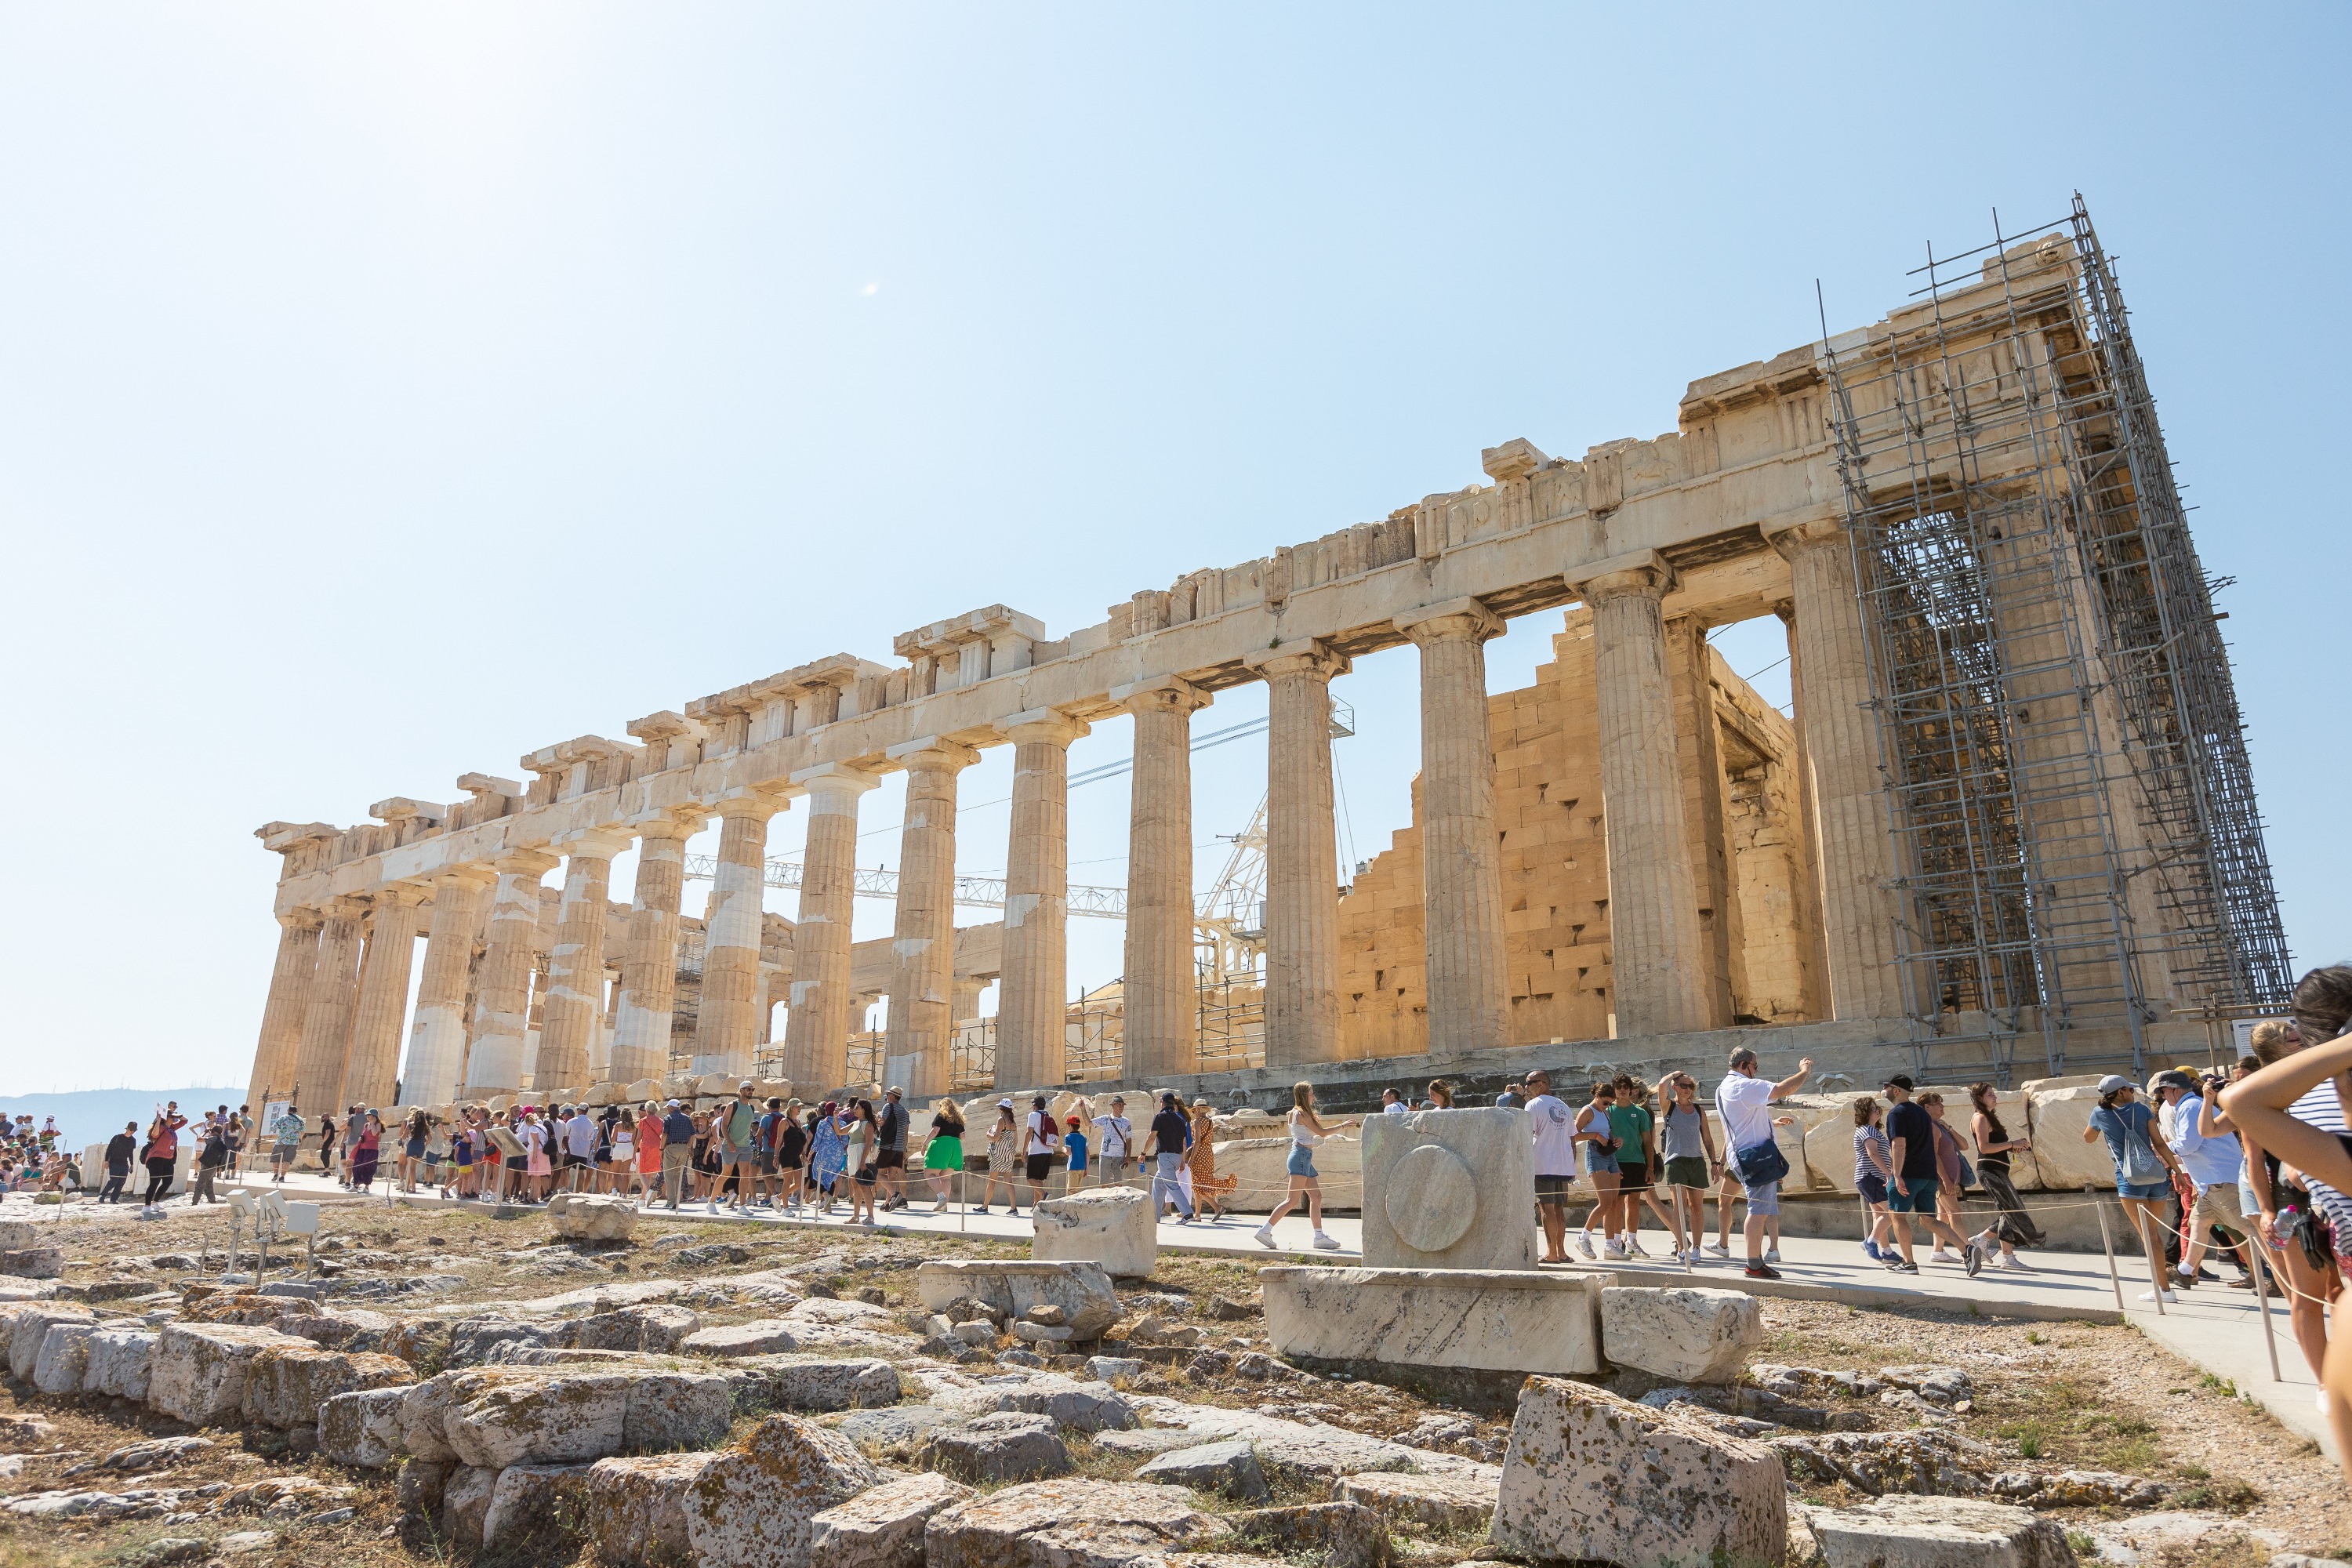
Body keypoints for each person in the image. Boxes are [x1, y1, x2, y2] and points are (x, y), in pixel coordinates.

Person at [2218, 964, 2352, 1486]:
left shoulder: (2302, 1103)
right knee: (2304, 1298)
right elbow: (2240, 1121)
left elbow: (2245, 1106)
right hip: (2292, 1211)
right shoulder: (2311, 1106)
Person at [2082, 1073, 2187, 1302]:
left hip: (2130, 1180)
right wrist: (2177, 1173)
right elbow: (2159, 1143)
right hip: (2157, 1177)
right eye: (2129, 1089)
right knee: (2154, 1235)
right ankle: (2163, 1288)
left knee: (2148, 1237)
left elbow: (2088, 1138)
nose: (2132, 1092)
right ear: (2120, 1092)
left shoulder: (2100, 1113)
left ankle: (2164, 1290)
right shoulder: (2142, 1110)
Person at [1716, 1049, 1812, 1279]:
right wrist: (1804, 1071)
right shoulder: (1743, 1086)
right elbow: (1783, 1090)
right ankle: (1753, 1264)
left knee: (1761, 1209)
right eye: (1755, 1066)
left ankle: (1757, 1261)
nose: (1757, 1071)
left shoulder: (1724, 1088)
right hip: (1756, 1156)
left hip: (1743, 1153)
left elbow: (1744, 1119)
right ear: (1743, 1065)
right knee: (1758, 1211)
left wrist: (1773, 1123)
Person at [2158, 1069, 2256, 1291]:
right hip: (2213, 1181)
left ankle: (2273, 1275)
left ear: (2173, 1090)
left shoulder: (2189, 1107)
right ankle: (2186, 1271)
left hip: (2218, 1180)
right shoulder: (2192, 1105)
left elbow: (2188, 1145)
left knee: (2247, 1230)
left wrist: (2163, 1148)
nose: (2163, 1097)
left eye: (2164, 1092)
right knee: (2199, 1224)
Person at [1255, 1083, 1353, 1249]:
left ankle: (1319, 1237)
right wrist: (1343, 1126)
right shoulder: (1301, 1113)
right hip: (1301, 1156)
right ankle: (1265, 1230)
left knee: (1316, 1197)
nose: (1314, 1097)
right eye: (1311, 1094)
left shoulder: (1294, 1113)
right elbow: (1321, 1133)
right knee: (1291, 1200)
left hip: (1303, 1156)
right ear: (1304, 1095)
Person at [1967, 1083, 2044, 1269]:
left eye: (1994, 1094)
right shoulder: (1980, 1118)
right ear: (1980, 1098)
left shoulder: (1990, 1118)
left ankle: (1991, 1246)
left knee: (2009, 1211)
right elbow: (1984, 1147)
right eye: (1990, 1095)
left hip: (1999, 1170)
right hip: (1990, 1171)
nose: (1995, 1097)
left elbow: (1996, 1146)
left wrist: (2014, 1146)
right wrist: (2011, 1143)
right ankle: (1995, 1248)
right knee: (2012, 1211)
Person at [1659, 1073, 1717, 1265]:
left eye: (1690, 1086)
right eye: (1683, 1085)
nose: (1688, 1089)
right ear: (1674, 1087)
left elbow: (1707, 1139)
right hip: (1676, 1161)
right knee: (1679, 1206)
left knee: (1696, 1206)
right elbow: (1660, 1086)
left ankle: (1697, 1248)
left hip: (1696, 1160)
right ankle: (1682, 1247)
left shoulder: (1698, 1110)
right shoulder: (1669, 1107)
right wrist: (1674, 1074)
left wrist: (1715, 1164)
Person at [1524, 1070, 1580, 1264]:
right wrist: (1571, 1166)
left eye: (1529, 1083)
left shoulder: (1533, 1105)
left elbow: (1526, 1134)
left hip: (1543, 1164)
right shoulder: (1563, 1106)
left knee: (1546, 1210)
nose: (1527, 1087)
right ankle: (1562, 1252)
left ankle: (1552, 1254)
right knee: (1558, 1210)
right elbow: (1572, 1139)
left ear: (1542, 1084)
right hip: (1563, 1166)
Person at [1571, 1079, 1621, 1259]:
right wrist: (1594, 1135)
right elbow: (1574, 1134)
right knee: (1605, 1202)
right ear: (1596, 1096)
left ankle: (1610, 1246)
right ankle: (1583, 1238)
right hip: (1594, 1154)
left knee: (1614, 1203)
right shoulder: (1588, 1111)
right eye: (1605, 1102)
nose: (1607, 1106)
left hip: (1609, 1155)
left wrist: (1617, 1140)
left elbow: (1608, 1133)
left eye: (1610, 1103)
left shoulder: (1605, 1113)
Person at [1851, 1095, 1896, 1261]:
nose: (1877, 1111)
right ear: (1864, 1112)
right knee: (1893, 1211)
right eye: (1872, 1108)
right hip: (1871, 1176)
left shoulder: (1874, 1130)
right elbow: (1873, 1153)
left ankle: (1887, 1251)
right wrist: (1889, 1174)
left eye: (1877, 1108)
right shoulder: (1867, 1130)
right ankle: (1871, 1242)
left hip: (1871, 1177)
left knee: (1879, 1215)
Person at [1143, 1091, 1194, 1223]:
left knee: (1172, 1185)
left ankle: (1187, 1213)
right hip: (1177, 1157)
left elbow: (1152, 1136)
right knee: (1158, 1183)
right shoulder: (1180, 1119)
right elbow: (1183, 1142)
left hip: (1165, 1156)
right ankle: (1155, 1216)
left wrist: (1143, 1153)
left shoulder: (1159, 1117)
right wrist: (1183, 1160)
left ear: (1162, 1103)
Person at [1185, 1102, 1235, 1216]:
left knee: (1196, 1185)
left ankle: (1217, 1207)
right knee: (1199, 1184)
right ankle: (1197, 1214)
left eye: (1194, 1111)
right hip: (1208, 1154)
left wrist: (1192, 1159)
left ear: (1198, 1110)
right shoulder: (1209, 1121)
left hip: (1199, 1154)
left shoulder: (1197, 1122)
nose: (1193, 1113)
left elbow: (1197, 1141)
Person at [140, 1104, 186, 1213]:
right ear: (166, 1118)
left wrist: (177, 1116)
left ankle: (155, 1201)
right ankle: (146, 1206)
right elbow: (155, 1135)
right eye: (172, 1117)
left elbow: (185, 1121)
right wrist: (159, 1119)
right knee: (155, 1182)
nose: (174, 1118)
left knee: (168, 1181)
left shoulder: (173, 1128)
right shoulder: (161, 1127)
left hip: (168, 1159)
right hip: (156, 1158)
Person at [922, 1101, 965, 1211]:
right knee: (946, 1178)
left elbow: (935, 1130)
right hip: (956, 1147)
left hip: (942, 1145)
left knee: (929, 1173)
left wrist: (925, 1143)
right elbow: (962, 1136)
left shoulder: (941, 1116)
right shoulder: (958, 1119)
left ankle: (941, 1198)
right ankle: (944, 1205)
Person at [875, 1087, 911, 1211]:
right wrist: (904, 1149)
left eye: (888, 1094)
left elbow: (882, 1123)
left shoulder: (887, 1107)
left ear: (891, 1096)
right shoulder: (905, 1112)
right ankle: (888, 1202)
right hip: (899, 1148)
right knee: (892, 1175)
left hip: (887, 1146)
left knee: (877, 1173)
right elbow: (906, 1132)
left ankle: (895, 1195)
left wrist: (878, 1118)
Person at [981, 1101, 1020, 1214]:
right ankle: (1014, 1208)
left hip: (998, 1154)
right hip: (1009, 1154)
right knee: (1008, 1181)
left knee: (992, 1181)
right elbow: (1015, 1140)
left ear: (1001, 1109)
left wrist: (988, 1135)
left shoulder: (1001, 1120)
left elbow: (996, 1137)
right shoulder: (1013, 1122)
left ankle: (985, 1207)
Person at [845, 1100, 880, 1225]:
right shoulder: (855, 1123)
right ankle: (856, 1216)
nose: (854, 1110)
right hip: (853, 1153)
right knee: (855, 1186)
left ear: (864, 1109)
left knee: (864, 1186)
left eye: (857, 1108)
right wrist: (833, 1116)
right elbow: (839, 1131)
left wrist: (862, 1162)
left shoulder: (868, 1125)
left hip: (861, 1154)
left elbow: (868, 1143)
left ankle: (870, 1216)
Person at [1022, 1095, 1060, 1211]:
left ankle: (1044, 1195)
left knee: (1030, 1178)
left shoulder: (1032, 1115)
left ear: (1035, 1106)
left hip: (1036, 1151)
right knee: (1038, 1180)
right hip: (1048, 1151)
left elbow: (1029, 1133)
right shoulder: (1048, 1115)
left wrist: (1023, 1150)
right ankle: (1036, 1205)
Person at [809, 1102, 848, 1212]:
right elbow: (845, 1141)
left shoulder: (823, 1123)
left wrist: (810, 1154)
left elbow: (817, 1141)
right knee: (831, 1177)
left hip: (824, 1152)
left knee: (816, 1174)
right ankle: (828, 1207)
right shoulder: (842, 1122)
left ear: (826, 1110)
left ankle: (826, 1196)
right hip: (838, 1153)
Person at [659, 1099, 695, 1209]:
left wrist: (661, 1149)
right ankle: (677, 1200)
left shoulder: (668, 1118)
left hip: (671, 1147)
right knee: (679, 1175)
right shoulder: (687, 1118)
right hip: (684, 1147)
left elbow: (665, 1134)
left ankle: (671, 1201)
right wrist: (689, 1147)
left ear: (670, 1107)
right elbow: (693, 1134)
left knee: (669, 1175)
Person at [1091, 1098, 1134, 1188]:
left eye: (1123, 1105)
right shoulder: (1105, 1118)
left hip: (1119, 1155)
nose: (1122, 1107)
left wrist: (1128, 1157)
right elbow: (1088, 1123)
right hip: (1105, 1154)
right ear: (1113, 1105)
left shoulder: (1126, 1121)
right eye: (1119, 1105)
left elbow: (1129, 1140)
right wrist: (1083, 1109)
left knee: (1118, 1182)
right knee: (1104, 1183)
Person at [189, 1113, 228, 1205]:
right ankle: (212, 1201)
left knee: (200, 1184)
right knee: (209, 1184)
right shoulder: (221, 1140)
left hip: (208, 1164)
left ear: (213, 1131)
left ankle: (194, 1202)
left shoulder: (214, 1138)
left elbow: (199, 1139)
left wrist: (205, 1132)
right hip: (214, 1164)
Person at [101, 1122, 136, 1203]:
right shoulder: (117, 1137)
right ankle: (102, 1195)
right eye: (131, 1129)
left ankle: (114, 1199)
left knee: (121, 1182)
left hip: (124, 1163)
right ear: (127, 1129)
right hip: (114, 1162)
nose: (132, 1131)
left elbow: (131, 1153)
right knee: (114, 1180)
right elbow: (109, 1149)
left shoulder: (133, 1140)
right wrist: (106, 1160)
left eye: (134, 1130)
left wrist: (132, 1164)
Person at [270, 1103, 303, 1184]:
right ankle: (282, 1177)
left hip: (281, 1141)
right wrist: (299, 1138)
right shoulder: (300, 1120)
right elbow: (303, 1131)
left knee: (276, 1158)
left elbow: (273, 1127)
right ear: (296, 1112)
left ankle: (276, 1174)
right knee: (287, 1160)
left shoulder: (283, 1118)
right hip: (293, 1142)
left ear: (288, 1111)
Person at [1066, 1113, 1091, 1196]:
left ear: (1070, 1126)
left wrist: (1063, 1149)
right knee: (1076, 1189)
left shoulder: (1068, 1137)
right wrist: (1086, 1168)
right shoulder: (1084, 1138)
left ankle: (1072, 1208)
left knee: (1072, 1190)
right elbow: (1087, 1154)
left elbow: (1068, 1152)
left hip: (1073, 1167)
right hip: (1082, 1167)